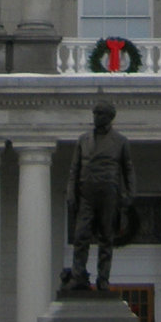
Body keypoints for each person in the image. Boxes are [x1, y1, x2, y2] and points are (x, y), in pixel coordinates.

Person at [65, 100, 135, 292]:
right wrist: (71, 193)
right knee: (81, 236)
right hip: (86, 192)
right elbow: (74, 169)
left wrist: (129, 194)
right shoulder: (84, 140)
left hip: (108, 193)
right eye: (95, 114)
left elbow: (128, 169)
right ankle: (78, 276)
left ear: (109, 117)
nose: (96, 118)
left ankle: (103, 279)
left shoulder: (120, 141)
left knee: (106, 238)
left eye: (100, 114)